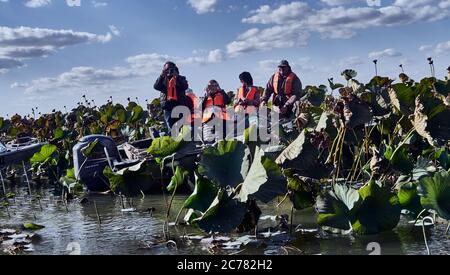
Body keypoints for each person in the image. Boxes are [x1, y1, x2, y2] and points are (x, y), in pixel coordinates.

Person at [153, 62, 189, 131]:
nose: (169, 71)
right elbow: (156, 86)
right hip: (168, 108)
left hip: (180, 106)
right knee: (171, 129)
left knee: (182, 128)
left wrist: (177, 77)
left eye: (171, 69)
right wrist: (161, 75)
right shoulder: (163, 79)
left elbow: (185, 86)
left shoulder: (181, 78)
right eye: (167, 69)